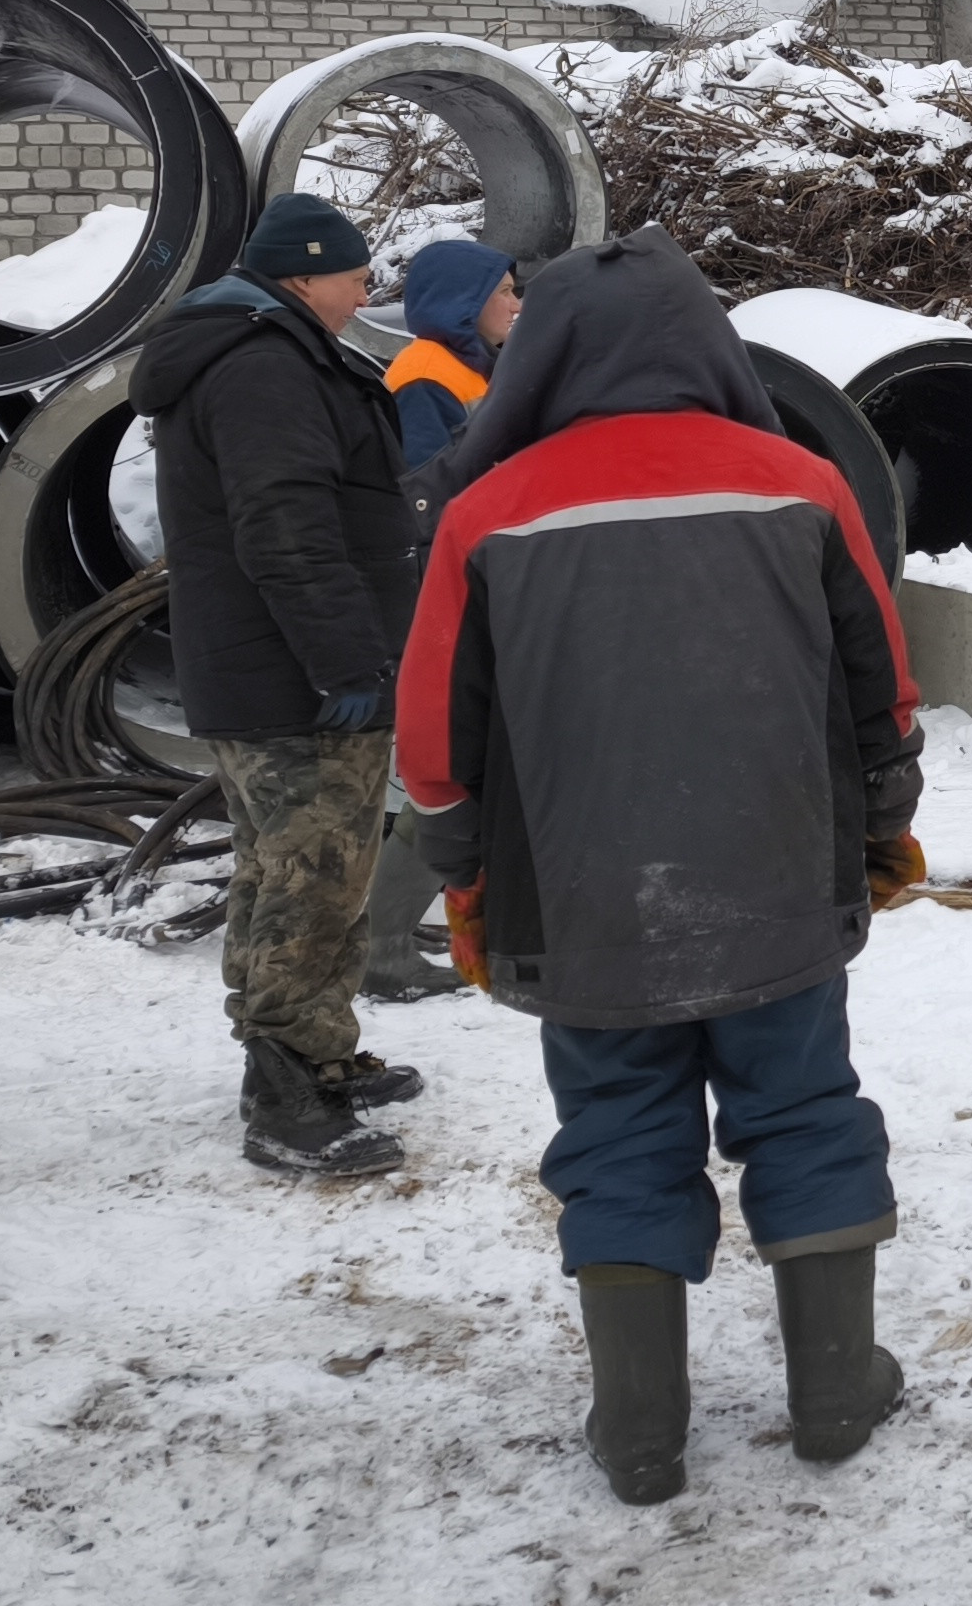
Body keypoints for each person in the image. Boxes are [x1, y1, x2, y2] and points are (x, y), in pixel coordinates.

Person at [396, 224, 926, 1508]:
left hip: (578, 902)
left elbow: (431, 737)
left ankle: (639, 1431)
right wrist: (882, 819)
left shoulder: (486, 512)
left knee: (618, 1134)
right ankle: (834, 1391)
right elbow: (884, 689)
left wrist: (463, 874)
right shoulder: (799, 481)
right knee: (803, 1114)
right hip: (781, 883)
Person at [128, 190, 431, 1177]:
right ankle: (289, 1100)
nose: (365, 291)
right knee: (312, 884)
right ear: (303, 276)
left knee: (286, 875)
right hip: (294, 683)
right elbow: (285, 526)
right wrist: (343, 662)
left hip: (266, 672)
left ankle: (313, 1053)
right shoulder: (264, 368)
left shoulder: (259, 351)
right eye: (353, 276)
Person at [386, 239, 520, 469]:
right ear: (465, 300)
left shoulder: (474, 363)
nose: (516, 305)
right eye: (505, 292)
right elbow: (427, 492)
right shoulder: (424, 378)